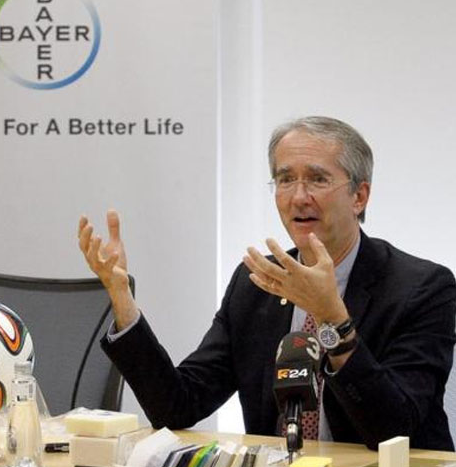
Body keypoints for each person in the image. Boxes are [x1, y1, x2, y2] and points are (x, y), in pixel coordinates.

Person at [78, 116, 456, 451]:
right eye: (285, 179)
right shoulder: (256, 283)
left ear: (359, 196)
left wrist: (332, 318)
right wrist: (122, 300)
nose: (299, 197)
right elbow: (178, 405)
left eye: (317, 179)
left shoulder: (422, 288)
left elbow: (394, 431)